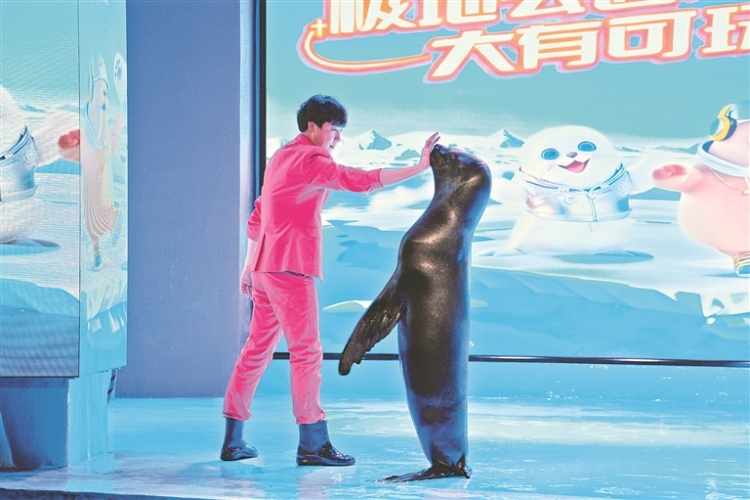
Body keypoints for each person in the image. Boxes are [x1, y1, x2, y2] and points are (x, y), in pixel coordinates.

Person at [221, 95, 439, 466]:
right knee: (306, 352)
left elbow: (259, 214)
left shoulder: (282, 156)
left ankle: (233, 439)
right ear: (313, 127)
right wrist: (419, 167)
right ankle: (312, 443)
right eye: (334, 129)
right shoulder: (312, 158)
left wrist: (248, 267)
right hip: (290, 268)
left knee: (256, 351)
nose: (338, 137)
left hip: (264, 269)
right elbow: (359, 181)